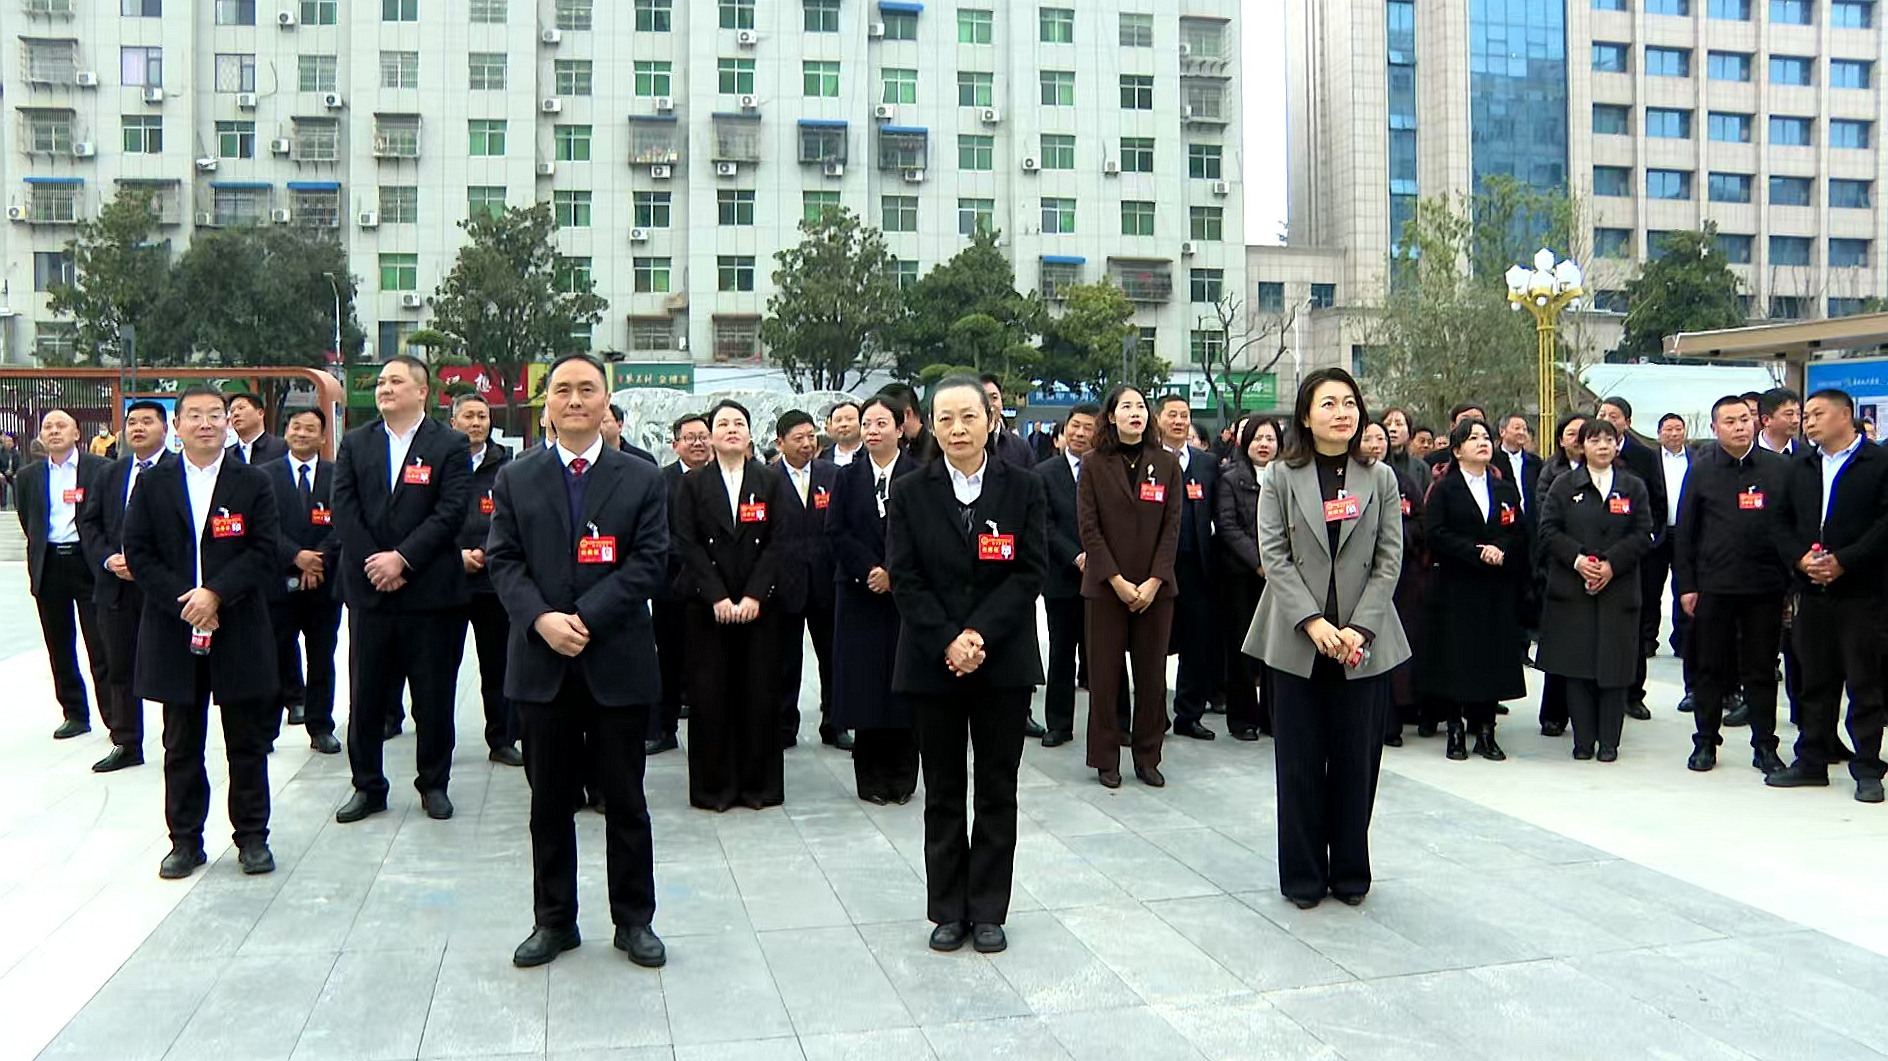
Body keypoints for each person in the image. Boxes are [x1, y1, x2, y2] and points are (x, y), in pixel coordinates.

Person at [484, 353, 670, 970]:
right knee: (548, 803)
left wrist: (585, 619)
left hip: (616, 660)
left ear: (605, 401)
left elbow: (649, 562)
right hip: (542, 665)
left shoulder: (642, 477)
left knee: (626, 801)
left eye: (586, 390)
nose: (573, 400)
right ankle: (553, 921)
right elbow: (504, 562)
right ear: (547, 404)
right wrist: (542, 620)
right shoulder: (516, 478)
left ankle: (634, 920)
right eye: (561, 390)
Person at [885, 376, 1046, 954]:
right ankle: (947, 908)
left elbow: (1030, 571)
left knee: (998, 788)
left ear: (989, 421)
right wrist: (948, 640)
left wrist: (978, 634)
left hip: (1002, 663)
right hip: (933, 664)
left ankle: (988, 909)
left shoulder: (1024, 488)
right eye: (945, 418)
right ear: (931, 423)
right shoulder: (909, 491)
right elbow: (904, 576)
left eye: (968, 417)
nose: (957, 428)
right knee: (944, 789)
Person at [1245, 368, 1409, 909]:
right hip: (1297, 639)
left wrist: (1359, 627)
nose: (1342, 412)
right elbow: (1276, 557)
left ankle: (1351, 872)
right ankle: (1304, 876)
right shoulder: (1280, 477)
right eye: (1329, 403)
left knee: (1356, 762)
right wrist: (1314, 623)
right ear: (1305, 415)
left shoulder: (1380, 477)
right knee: (1298, 764)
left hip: (1363, 641)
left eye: (1350, 403)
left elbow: (1389, 559)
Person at [123, 386, 282, 880]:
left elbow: (264, 548)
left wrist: (215, 594)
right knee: (181, 743)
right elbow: (139, 552)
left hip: (237, 624)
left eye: (216, 414)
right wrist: (187, 603)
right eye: (194, 415)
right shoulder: (154, 483)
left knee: (246, 740)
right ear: (178, 425)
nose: (206, 423)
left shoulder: (252, 481)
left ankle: (252, 837)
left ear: (229, 423)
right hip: (175, 628)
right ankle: (185, 841)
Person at [332, 356, 474, 824]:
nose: (385, 388)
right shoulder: (356, 443)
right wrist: (377, 562)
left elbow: (451, 511)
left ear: (422, 391)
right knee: (367, 697)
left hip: (431, 595)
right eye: (381, 382)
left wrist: (403, 560)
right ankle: (367, 785)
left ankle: (433, 784)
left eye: (396, 381)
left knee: (433, 698)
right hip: (372, 593)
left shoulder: (449, 444)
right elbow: (344, 509)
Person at [1768, 388, 1888, 802]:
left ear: (1845, 416)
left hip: (1862, 592)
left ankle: (1868, 768)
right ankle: (1811, 760)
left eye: (1817, 414)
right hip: (1810, 589)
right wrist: (1802, 560)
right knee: (1814, 680)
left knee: (1864, 681)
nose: (1809, 422)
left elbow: (1884, 525)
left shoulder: (1879, 462)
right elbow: (1779, 521)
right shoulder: (1800, 463)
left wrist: (1845, 561)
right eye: (1806, 416)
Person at [672, 399, 788, 811]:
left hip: (760, 607)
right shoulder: (691, 484)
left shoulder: (771, 481)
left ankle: (759, 787)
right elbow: (686, 543)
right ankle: (714, 788)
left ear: (750, 434)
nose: (731, 429)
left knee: (758, 695)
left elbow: (779, 543)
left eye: (739, 423)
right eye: (722, 424)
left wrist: (755, 595)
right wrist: (718, 596)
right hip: (708, 608)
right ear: (711, 436)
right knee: (710, 697)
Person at [1672, 396, 1791, 774]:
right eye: (1730, 421)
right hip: (1713, 586)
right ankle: (1705, 741)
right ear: (1714, 429)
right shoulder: (1702, 470)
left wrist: (1790, 587)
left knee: (1761, 670)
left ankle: (1765, 746)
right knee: (1710, 668)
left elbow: (1790, 528)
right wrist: (1686, 586)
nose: (1740, 426)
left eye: (1745, 419)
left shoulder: (1778, 469)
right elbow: (1686, 533)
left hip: (1765, 586)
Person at [1078, 385, 1182, 788]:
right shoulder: (1093, 463)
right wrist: (1117, 581)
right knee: (1104, 678)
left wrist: (1155, 580)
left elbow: (1172, 527)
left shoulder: (1167, 463)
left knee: (1152, 678)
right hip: (1106, 587)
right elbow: (1089, 527)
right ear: (1111, 416)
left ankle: (1147, 755)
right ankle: (1105, 757)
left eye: (1141, 406)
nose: (1135, 413)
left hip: (1156, 590)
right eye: (1127, 407)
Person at [1536, 419, 1653, 761]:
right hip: (1573, 590)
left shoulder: (1632, 486)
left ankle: (1609, 742)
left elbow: (1643, 531)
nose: (1602, 446)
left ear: (1618, 445)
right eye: (1594, 440)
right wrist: (1577, 560)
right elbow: (1548, 530)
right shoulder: (1563, 484)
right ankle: (1583, 741)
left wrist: (1611, 565)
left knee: (1614, 667)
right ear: (1581, 446)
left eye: (1609, 440)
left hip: (1619, 589)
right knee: (1578, 667)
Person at [830, 396, 922, 802]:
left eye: (881, 423)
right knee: (866, 687)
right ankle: (870, 780)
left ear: (900, 428)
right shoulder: (846, 479)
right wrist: (869, 570)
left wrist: (894, 573)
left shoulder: (921, 476)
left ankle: (903, 778)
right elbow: (836, 532)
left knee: (905, 686)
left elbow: (926, 535)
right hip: (859, 594)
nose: (872, 430)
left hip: (906, 599)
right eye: (867, 423)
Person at [1423, 417, 1530, 761]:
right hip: (1457, 585)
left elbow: (1518, 531)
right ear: (1457, 450)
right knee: (1457, 657)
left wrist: (1502, 548)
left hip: (1496, 587)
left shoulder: (1504, 489)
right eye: (1473, 439)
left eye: (1485, 437)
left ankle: (1486, 731)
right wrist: (1474, 551)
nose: (1483, 443)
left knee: (1491, 657)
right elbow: (1435, 533)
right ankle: (1455, 728)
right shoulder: (1445, 488)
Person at [77, 401, 172, 772]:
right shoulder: (110, 474)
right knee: (118, 666)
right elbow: (90, 524)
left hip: (161, 588)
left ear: (165, 428)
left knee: (167, 665)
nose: (138, 428)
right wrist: (108, 559)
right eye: (132, 422)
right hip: (115, 586)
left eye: (147, 422)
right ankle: (127, 741)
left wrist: (146, 564)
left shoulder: (178, 471)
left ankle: (175, 741)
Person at [17, 409, 111, 741]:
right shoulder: (28, 476)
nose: (54, 431)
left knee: (101, 645)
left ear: (76, 434)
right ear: (41, 436)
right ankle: (74, 713)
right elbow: (29, 522)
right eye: (48, 427)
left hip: (87, 564)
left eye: (61, 426)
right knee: (59, 644)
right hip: (50, 564)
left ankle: (115, 718)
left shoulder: (100, 470)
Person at [262, 408, 344, 756]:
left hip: (324, 584)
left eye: (311, 429)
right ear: (286, 432)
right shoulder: (264, 476)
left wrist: (317, 560)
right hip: (277, 582)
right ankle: (266, 728)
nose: (302, 433)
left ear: (323, 437)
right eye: (296, 427)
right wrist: (296, 557)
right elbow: (263, 526)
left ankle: (320, 725)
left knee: (322, 656)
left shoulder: (337, 475)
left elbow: (345, 524)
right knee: (273, 653)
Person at [449, 394, 522, 767]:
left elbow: (514, 521)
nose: (476, 423)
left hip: (494, 584)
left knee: (498, 665)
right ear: (453, 422)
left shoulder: (507, 467)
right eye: (469, 416)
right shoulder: (440, 464)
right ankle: (438, 743)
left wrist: (486, 553)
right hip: (448, 580)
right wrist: (455, 555)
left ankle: (502, 738)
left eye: (482, 416)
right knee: (441, 668)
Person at [770, 410, 845, 749]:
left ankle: (835, 724)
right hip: (784, 584)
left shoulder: (833, 476)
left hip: (825, 580)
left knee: (833, 658)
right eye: (798, 438)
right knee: (784, 661)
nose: (806, 443)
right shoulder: (767, 479)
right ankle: (784, 726)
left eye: (811, 436)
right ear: (780, 442)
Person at [1154, 395, 1222, 742]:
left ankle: (1189, 713)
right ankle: (1154, 715)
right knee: (1156, 640)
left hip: (1196, 563)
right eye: (1172, 415)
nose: (1179, 421)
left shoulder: (1207, 464)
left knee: (1197, 641)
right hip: (1157, 565)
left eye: (1184, 416)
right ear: (1159, 419)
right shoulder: (1147, 461)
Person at [1597, 396, 1667, 721]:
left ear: (1626, 421)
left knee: (1635, 625)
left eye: (1613, 415)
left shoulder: (1644, 456)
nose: (1606, 419)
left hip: (1637, 553)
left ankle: (1633, 693)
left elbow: (1657, 500)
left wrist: (1650, 539)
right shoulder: (1588, 449)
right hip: (1597, 553)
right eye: (1601, 413)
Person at [646, 413, 712, 756]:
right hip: (673, 588)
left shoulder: (725, 477)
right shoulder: (661, 480)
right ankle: (664, 728)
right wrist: (698, 562)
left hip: (718, 593)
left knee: (710, 664)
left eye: (703, 436)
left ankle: (712, 731)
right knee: (668, 662)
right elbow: (658, 534)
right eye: (690, 437)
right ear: (676, 445)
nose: (698, 443)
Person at [1359, 421, 1425, 746]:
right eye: (1368, 437)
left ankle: (1393, 721)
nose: (1375, 443)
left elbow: (1420, 522)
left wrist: (1396, 540)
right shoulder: (1351, 480)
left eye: (1380, 438)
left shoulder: (1404, 481)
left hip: (1401, 576)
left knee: (1393, 651)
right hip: (1359, 577)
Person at [1038, 403, 1100, 748]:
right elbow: (1043, 524)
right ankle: (1058, 724)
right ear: (1063, 432)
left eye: (1087, 428)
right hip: (1062, 578)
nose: (1079, 433)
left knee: (1105, 654)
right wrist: (1075, 556)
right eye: (1074, 427)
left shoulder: (1107, 470)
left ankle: (1114, 722)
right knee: (1062, 653)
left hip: (1103, 577)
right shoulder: (1045, 472)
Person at [1216, 416, 1281, 742]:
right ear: (1246, 442)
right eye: (1258, 438)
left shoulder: (1288, 478)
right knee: (1242, 647)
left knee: (1276, 648)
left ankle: (1272, 717)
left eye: (1270, 438)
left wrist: (1277, 565)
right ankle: (1242, 719)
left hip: (1280, 576)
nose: (1264, 444)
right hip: (1242, 574)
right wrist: (1259, 563)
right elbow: (1227, 526)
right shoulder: (1230, 478)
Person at [1533, 412, 1589, 737]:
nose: (1578, 439)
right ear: (1560, 439)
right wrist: (1574, 553)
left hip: (1598, 568)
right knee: (1559, 644)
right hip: (1560, 566)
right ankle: (1553, 714)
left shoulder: (1611, 474)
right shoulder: (1550, 472)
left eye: (1584, 433)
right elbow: (1545, 518)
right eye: (1572, 433)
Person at [1655, 412, 1697, 711]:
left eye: (1678, 428)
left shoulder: (1696, 458)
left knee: (1685, 587)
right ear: (1659, 434)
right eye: (1668, 429)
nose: (1673, 433)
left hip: (1687, 532)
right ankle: (1648, 640)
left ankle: (1682, 640)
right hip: (1658, 532)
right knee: (1653, 587)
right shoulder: (1650, 461)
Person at [1492, 414, 1542, 518]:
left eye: (1525, 429)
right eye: (1517, 428)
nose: (1522, 432)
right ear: (1502, 431)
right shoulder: (1492, 461)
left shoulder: (1535, 463)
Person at [224, 393, 289, 466]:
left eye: (241, 408)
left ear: (260, 413)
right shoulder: (226, 455)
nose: (235, 413)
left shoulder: (282, 448)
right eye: (232, 411)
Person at [1423, 403, 1489, 469]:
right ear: (1453, 426)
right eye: (1465, 420)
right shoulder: (1434, 460)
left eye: (1477, 420)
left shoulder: (1494, 459)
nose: (1472, 424)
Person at [1757, 388, 1803, 456]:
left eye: (1798, 414)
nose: (1796, 420)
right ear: (1766, 420)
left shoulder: (1808, 455)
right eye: (1789, 414)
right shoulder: (1747, 453)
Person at [821, 400, 864, 467]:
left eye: (849, 419)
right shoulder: (822, 457)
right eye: (838, 420)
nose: (843, 424)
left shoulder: (874, 454)